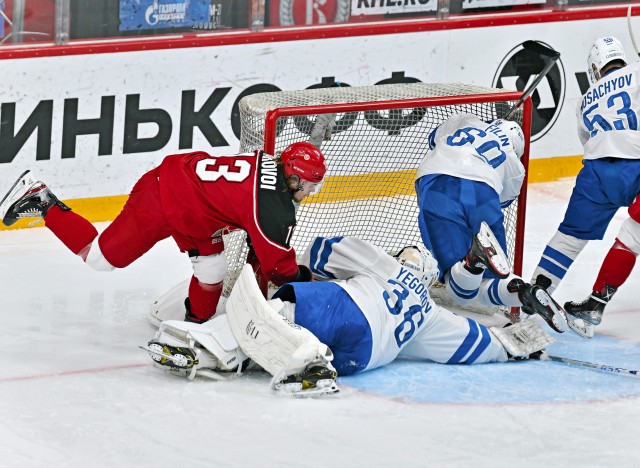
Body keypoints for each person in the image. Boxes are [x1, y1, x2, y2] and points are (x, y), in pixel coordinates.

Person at [144, 236, 554, 396]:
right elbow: (474, 343)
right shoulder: (430, 313)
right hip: (363, 358)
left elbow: (323, 249)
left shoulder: (385, 266)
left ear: (404, 260)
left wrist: (304, 271)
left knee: (279, 309)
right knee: (279, 333)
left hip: (345, 308)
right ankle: (315, 367)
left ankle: (210, 349)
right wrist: (516, 346)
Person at [0, 142, 326, 323]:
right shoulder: (274, 206)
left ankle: (195, 326)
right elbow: (278, 268)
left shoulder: (270, 164)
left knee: (212, 271)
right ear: (293, 178)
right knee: (99, 259)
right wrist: (310, 281)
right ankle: (43, 201)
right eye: (309, 184)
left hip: (195, 208)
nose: (310, 191)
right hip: (165, 198)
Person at [415, 113, 567, 333]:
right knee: (494, 278)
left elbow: (432, 138)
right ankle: (524, 292)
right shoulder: (516, 166)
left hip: (439, 185)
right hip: (484, 194)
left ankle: (472, 262)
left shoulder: (466, 121)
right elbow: (503, 201)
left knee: (461, 293)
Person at [532, 36, 640, 330]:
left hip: (598, 170)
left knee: (569, 237)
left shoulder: (585, 100)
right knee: (632, 236)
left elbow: (589, 141)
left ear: (595, 67)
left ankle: (536, 293)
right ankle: (597, 302)